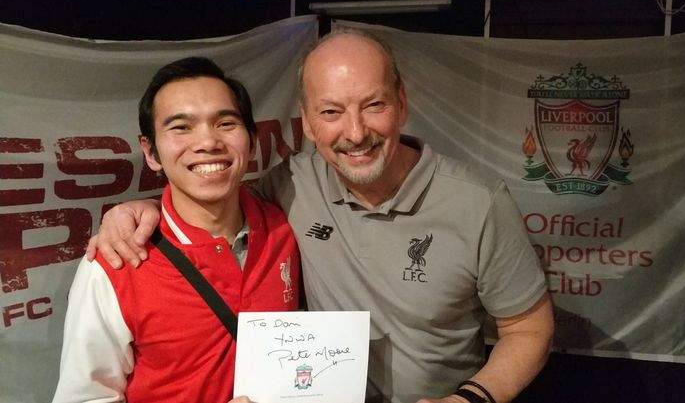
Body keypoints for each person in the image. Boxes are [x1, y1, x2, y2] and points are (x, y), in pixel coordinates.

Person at [89, 29, 554, 403]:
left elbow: (529, 328)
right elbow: (210, 197)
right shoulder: (290, 184)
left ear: (402, 104)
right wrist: (139, 210)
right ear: (307, 123)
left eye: (373, 105)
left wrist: (472, 399)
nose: (355, 132)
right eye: (331, 111)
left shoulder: (478, 202)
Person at [53, 57, 300, 403]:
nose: (208, 142)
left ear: (253, 139)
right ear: (151, 152)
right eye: (181, 127)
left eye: (226, 123)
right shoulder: (116, 261)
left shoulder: (283, 226)